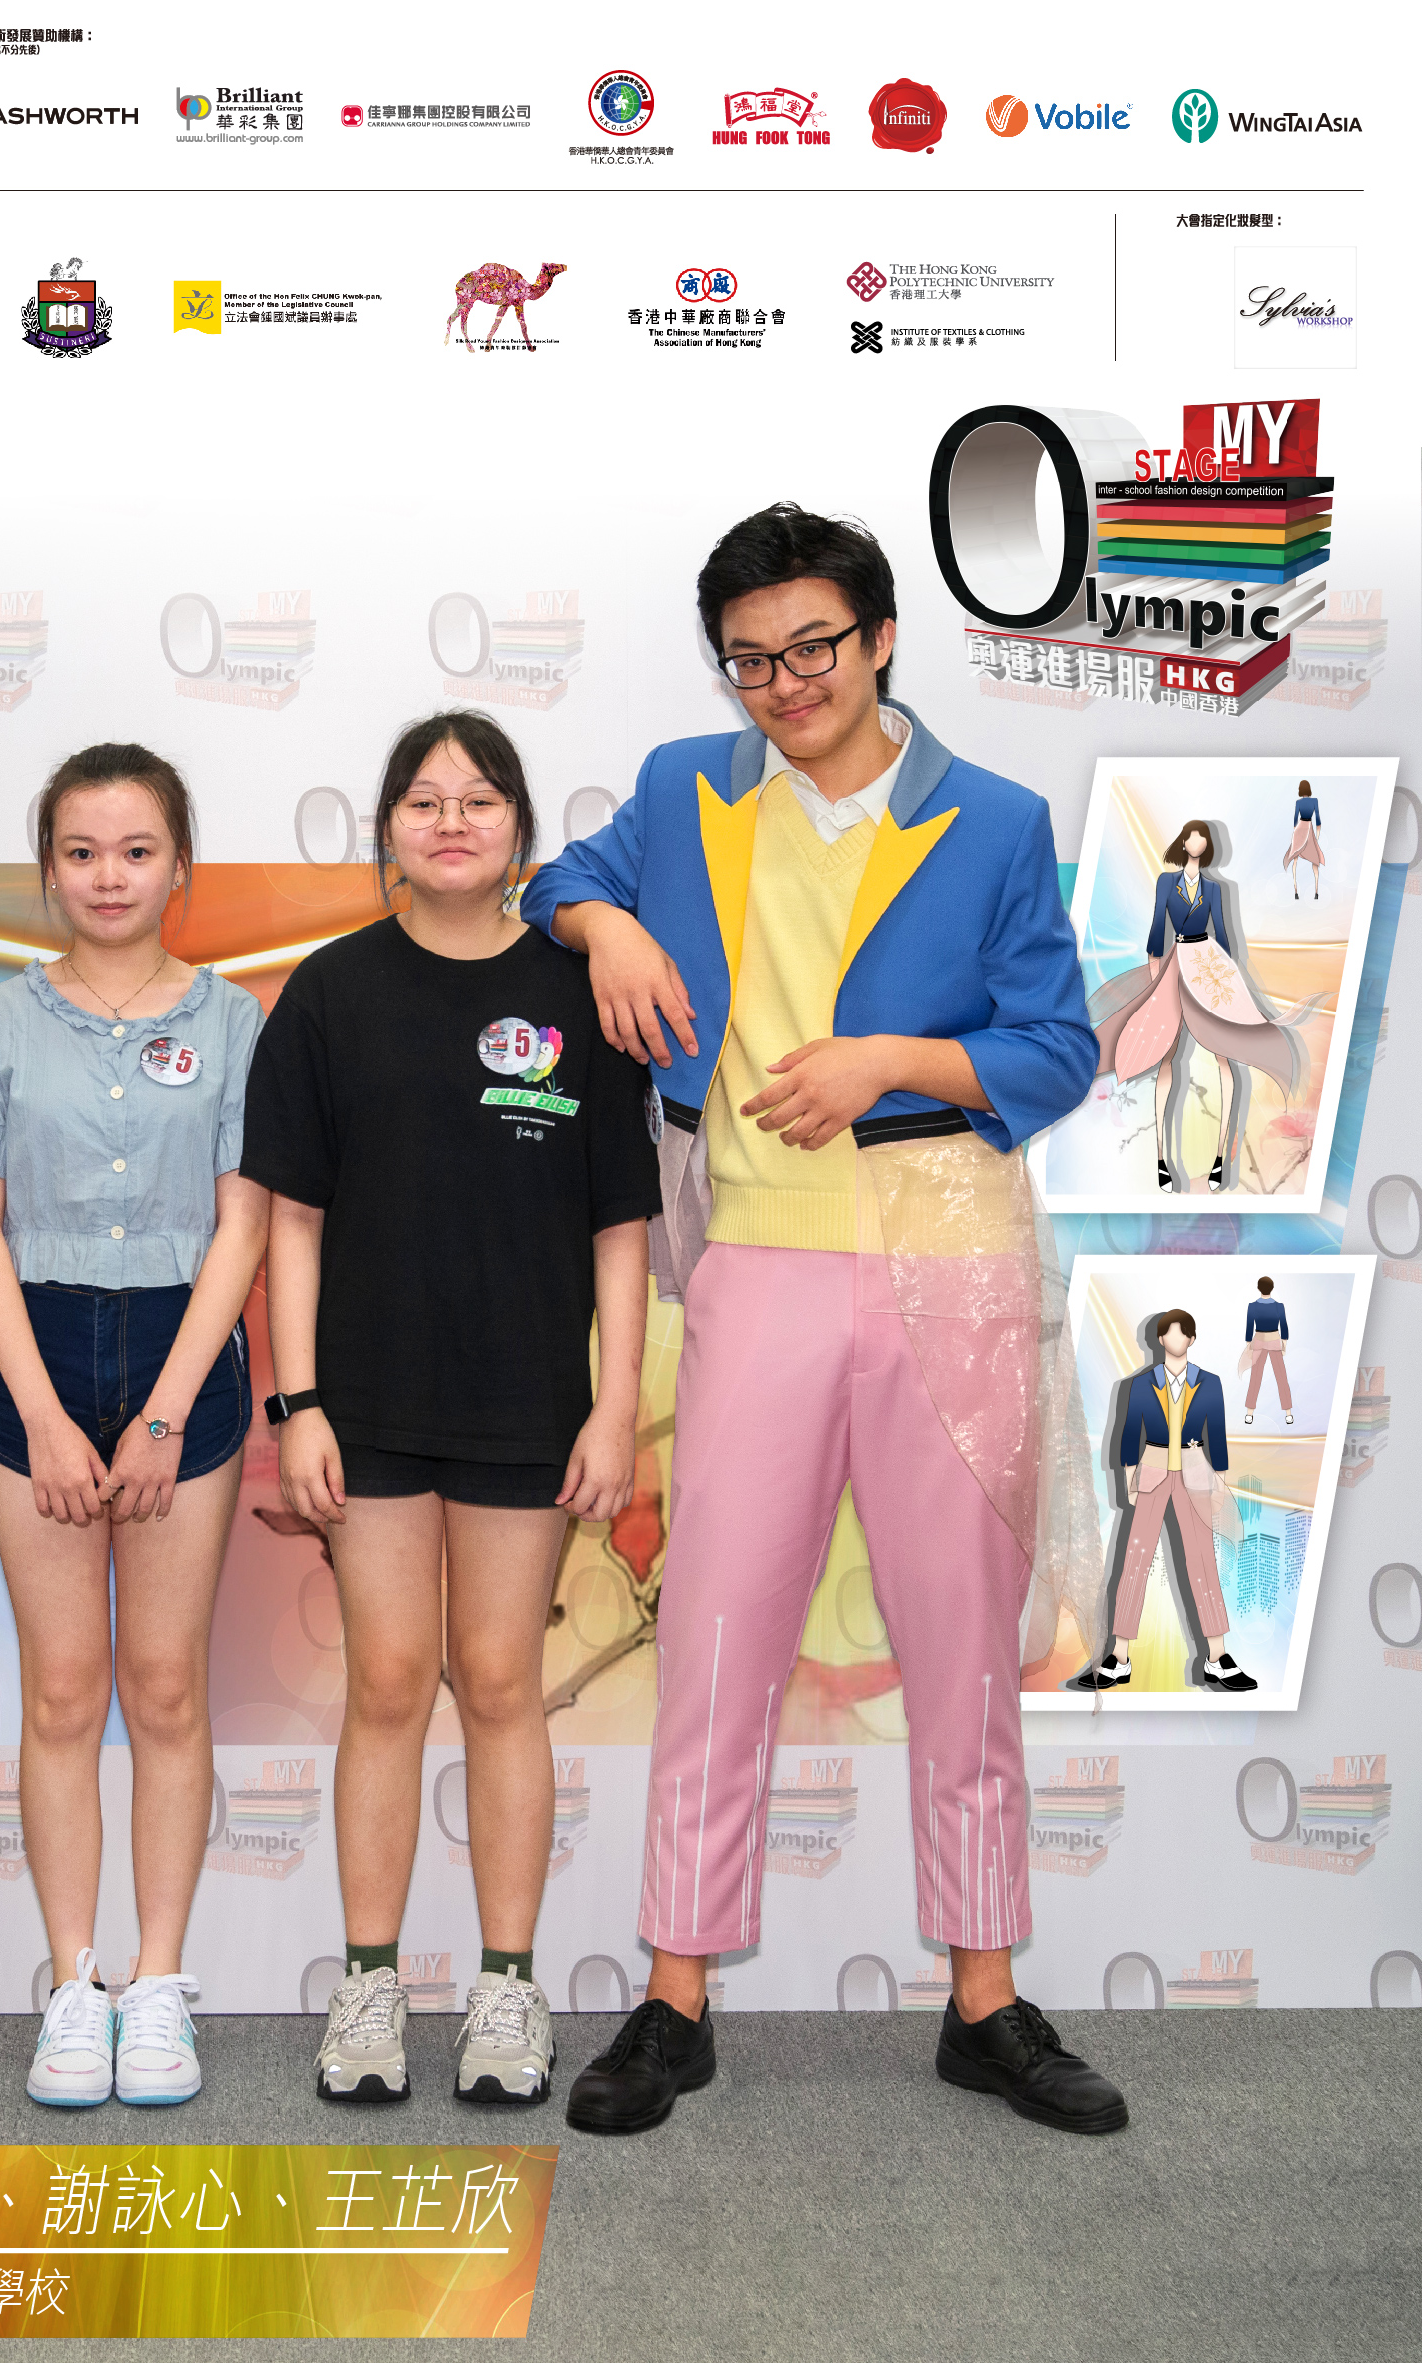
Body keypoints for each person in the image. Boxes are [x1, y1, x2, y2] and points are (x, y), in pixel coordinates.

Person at [522, 502, 1126, 2138]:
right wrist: (607, 922)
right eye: (749, 659)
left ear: (877, 639)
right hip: (758, 1263)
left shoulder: (990, 820)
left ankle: (983, 2000)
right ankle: (674, 1992)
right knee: (714, 1634)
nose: (783, 683)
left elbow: (1055, 1048)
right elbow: (554, 881)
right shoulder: (682, 789)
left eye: (811, 647)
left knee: (959, 1642)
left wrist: (888, 1065)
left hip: (952, 1263)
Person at [243, 712, 655, 2107]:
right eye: (422, 800)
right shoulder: (329, 990)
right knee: (383, 1680)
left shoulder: (577, 989)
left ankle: (503, 1989)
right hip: (363, 1403)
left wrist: (613, 1407)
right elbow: (291, 1220)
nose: (450, 820)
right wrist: (297, 1401)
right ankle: (366, 1986)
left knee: (497, 1682)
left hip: (526, 1400)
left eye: (477, 799)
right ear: (387, 834)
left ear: (519, 831)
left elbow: (618, 1226)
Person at [0, 743, 267, 2108]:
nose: (108, 876)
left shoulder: (235, 1020)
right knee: (63, 1690)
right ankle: (73, 1985)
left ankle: (158, 1980)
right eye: (80, 852)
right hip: (37, 1353)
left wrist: (166, 1410)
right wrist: (41, 1413)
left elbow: (243, 1220)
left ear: (179, 863)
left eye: (135, 850)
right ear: (47, 869)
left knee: (165, 1686)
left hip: (187, 1355)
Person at [1087, 820, 1300, 1194]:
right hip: (1174, 962)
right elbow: (1158, 925)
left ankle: (1219, 1158)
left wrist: (1230, 978)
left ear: (1207, 845)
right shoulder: (1166, 883)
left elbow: (1224, 933)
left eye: (1203, 836)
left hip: (1208, 965)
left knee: (1224, 1055)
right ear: (1184, 842)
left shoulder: (1214, 889)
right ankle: (1160, 1159)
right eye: (1192, 835)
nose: (1198, 841)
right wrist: (1154, 967)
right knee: (1165, 1055)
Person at [1073, 1311, 1258, 1695]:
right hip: (1152, 1471)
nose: (1176, 1339)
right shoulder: (1140, 1385)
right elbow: (1130, 1433)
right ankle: (1119, 1657)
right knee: (1134, 1560)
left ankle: (1217, 1657)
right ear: (1160, 1340)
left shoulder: (1209, 1383)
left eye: (1182, 1333)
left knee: (1203, 1561)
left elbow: (1216, 1433)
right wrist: (1129, 1479)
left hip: (1196, 1472)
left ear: (1191, 1339)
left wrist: (1220, 1482)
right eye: (1169, 1333)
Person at [1243, 1275, 1292, 1426]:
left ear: (1259, 1288)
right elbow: (1284, 1326)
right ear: (1272, 1288)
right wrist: (1284, 1344)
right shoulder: (1279, 1306)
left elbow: (1249, 1327)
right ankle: (1288, 1414)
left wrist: (1248, 1344)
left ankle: (1249, 1414)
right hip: (1274, 1341)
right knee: (1281, 1377)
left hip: (1258, 1341)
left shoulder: (1252, 1306)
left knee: (1255, 1378)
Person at [1283, 780, 1324, 900]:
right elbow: (1318, 820)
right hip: (1309, 828)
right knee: (1315, 860)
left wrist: (1295, 835)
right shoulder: (1314, 801)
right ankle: (1316, 892)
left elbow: (1295, 820)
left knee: (1295, 858)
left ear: (1300, 790)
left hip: (1300, 828)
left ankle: (1296, 891)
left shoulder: (1298, 802)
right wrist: (1317, 837)